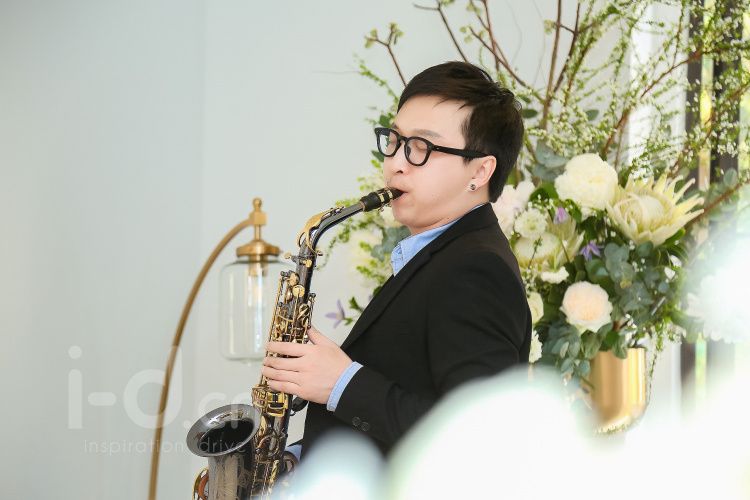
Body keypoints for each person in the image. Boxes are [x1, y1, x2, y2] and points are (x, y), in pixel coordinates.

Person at [263, 61, 531, 458]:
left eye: (421, 148)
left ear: (479, 171)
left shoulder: (476, 270)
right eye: (394, 140)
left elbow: (476, 440)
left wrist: (340, 383)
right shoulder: (443, 255)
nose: (395, 163)